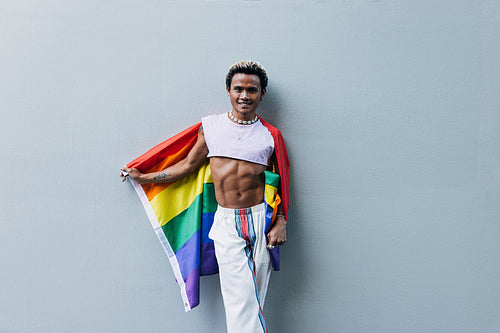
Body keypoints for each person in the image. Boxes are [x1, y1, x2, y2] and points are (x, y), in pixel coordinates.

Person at [120, 61, 289, 333]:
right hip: (226, 222)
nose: (244, 96)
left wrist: (281, 220)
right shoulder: (211, 128)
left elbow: (283, 181)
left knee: (255, 298)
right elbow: (187, 166)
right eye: (238, 89)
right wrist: (145, 177)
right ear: (228, 90)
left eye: (252, 90)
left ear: (262, 93)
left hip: (260, 220)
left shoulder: (270, 135)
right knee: (240, 298)